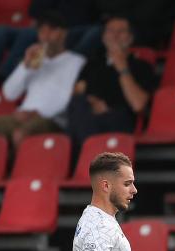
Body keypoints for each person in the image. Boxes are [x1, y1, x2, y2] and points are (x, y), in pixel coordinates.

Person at [0, 12, 86, 147]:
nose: (46, 37)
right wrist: (25, 66)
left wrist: (37, 113)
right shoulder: (34, 60)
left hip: (52, 119)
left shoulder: (77, 62)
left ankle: (18, 168)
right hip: (21, 116)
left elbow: (71, 100)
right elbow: (9, 94)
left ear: (63, 33)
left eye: (51, 31)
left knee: (20, 135)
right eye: (42, 32)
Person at [0, 0, 99, 95]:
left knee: (28, 34)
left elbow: (88, 16)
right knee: (0, 31)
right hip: (44, 29)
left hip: (71, 31)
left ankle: (2, 77)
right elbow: (35, 13)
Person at [66, 16, 159, 150]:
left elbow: (139, 105)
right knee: (77, 104)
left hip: (118, 119)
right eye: (110, 31)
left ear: (130, 38)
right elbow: (74, 94)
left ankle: (89, 157)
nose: (115, 35)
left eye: (121, 31)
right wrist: (91, 102)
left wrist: (123, 68)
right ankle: (93, 157)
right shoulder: (92, 65)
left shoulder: (141, 66)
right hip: (88, 118)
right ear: (103, 37)